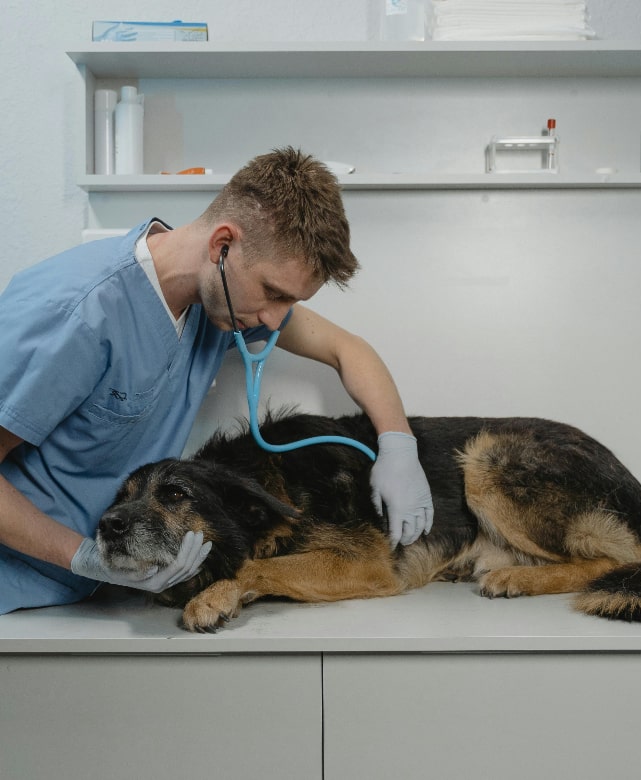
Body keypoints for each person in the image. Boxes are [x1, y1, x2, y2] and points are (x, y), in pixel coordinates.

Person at [0, 147, 434, 616]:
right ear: (222, 245)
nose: (273, 318)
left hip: (110, 588)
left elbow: (348, 350)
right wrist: (85, 559)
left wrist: (398, 444)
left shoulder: (216, 302)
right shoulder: (76, 314)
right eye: (273, 293)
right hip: (23, 585)